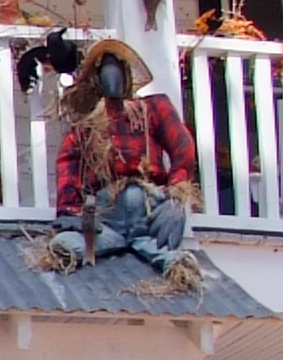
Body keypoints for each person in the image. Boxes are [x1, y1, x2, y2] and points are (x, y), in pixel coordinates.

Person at [33, 35, 199, 276]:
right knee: (66, 245)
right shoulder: (88, 123)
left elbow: (182, 146)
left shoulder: (152, 108)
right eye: (105, 68)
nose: (112, 74)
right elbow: (68, 163)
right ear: (97, 78)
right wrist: (68, 210)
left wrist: (176, 195)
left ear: (127, 73)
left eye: (117, 67)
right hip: (106, 215)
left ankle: (168, 259)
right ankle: (112, 244)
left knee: (160, 246)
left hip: (148, 207)